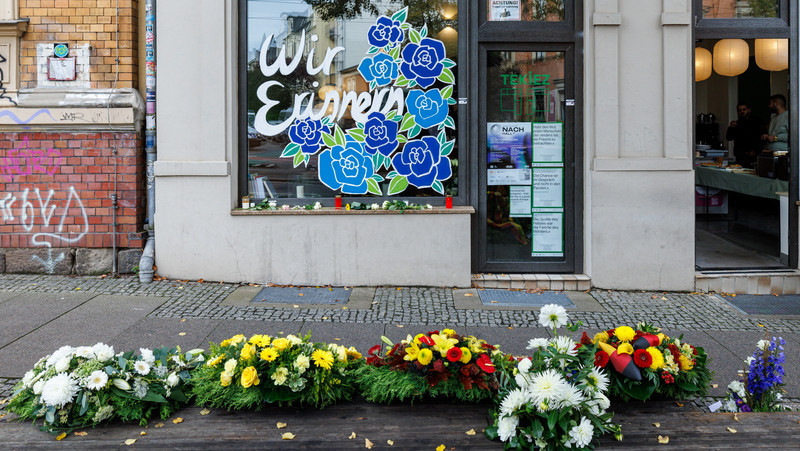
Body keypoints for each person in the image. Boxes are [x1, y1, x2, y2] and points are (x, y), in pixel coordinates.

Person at [726, 102, 762, 168]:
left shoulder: (757, 122)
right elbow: (729, 138)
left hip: (753, 156)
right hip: (740, 156)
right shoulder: (737, 123)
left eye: (744, 109)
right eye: (739, 110)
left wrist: (756, 151)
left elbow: (761, 138)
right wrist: (730, 127)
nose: (741, 111)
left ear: (748, 110)